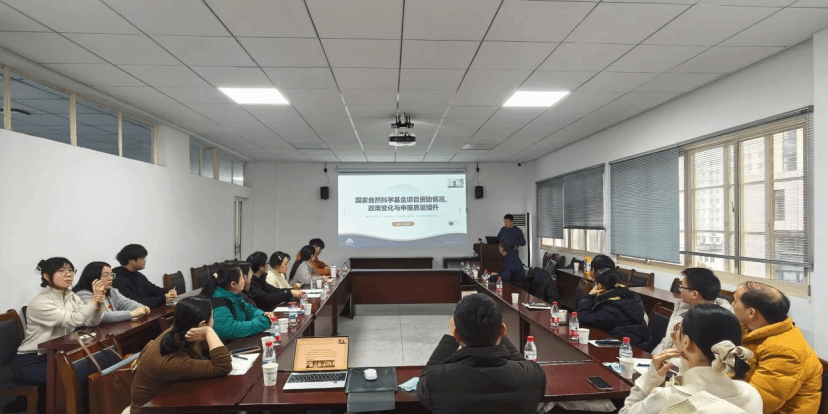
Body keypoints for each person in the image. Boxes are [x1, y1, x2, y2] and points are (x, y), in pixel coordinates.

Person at [620, 304, 762, 414]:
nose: (674, 333)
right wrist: (686, 354)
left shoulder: (667, 398)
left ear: (686, 342)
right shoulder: (751, 393)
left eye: (678, 329)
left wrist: (649, 379)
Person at [416, 294, 545, 414]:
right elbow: (522, 363)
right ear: (502, 331)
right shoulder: (533, 376)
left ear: (457, 335)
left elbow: (426, 376)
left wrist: (450, 338)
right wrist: (497, 331)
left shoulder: (436, 380)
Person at [129, 296, 232, 414]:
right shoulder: (170, 360)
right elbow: (223, 366)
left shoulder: (181, 333)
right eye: (212, 317)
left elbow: (217, 351)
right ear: (202, 324)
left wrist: (208, 335)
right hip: (151, 410)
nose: (214, 320)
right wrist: (209, 332)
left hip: (170, 400)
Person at [731, 281, 822, 414]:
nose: (732, 305)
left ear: (751, 313)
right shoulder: (752, 329)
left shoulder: (784, 352)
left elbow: (757, 404)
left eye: (735, 301)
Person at [13, 258, 105, 386]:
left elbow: (91, 322)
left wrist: (98, 306)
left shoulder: (71, 296)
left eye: (70, 270)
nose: (68, 274)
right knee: (80, 370)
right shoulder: (40, 303)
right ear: (46, 276)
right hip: (33, 360)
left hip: (58, 355)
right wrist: (94, 300)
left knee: (100, 361)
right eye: (61, 271)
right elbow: (75, 320)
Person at [652, 268, 733, 354]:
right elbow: (667, 341)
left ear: (694, 294)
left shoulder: (718, 322)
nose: (680, 291)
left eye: (682, 287)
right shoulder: (682, 307)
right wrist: (654, 358)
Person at [576, 269, 651, 351]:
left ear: (599, 286)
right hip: (636, 340)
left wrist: (589, 295)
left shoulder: (610, 307)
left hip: (628, 347)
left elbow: (584, 317)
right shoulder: (629, 296)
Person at [200, 264, 273, 341]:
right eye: (242, 277)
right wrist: (264, 321)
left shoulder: (234, 295)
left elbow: (250, 311)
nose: (244, 280)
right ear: (233, 284)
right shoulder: (218, 301)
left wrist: (264, 315)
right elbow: (230, 329)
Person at [73, 261, 150, 323]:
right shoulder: (82, 295)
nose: (110, 278)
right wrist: (130, 314)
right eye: (106, 275)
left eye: (111, 275)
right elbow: (101, 316)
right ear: (94, 277)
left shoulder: (111, 290)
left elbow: (125, 303)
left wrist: (141, 307)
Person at [112, 244, 176, 307]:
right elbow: (133, 303)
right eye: (141, 258)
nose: (145, 260)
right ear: (131, 260)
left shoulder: (138, 275)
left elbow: (153, 290)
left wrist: (169, 292)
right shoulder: (118, 279)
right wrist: (163, 298)